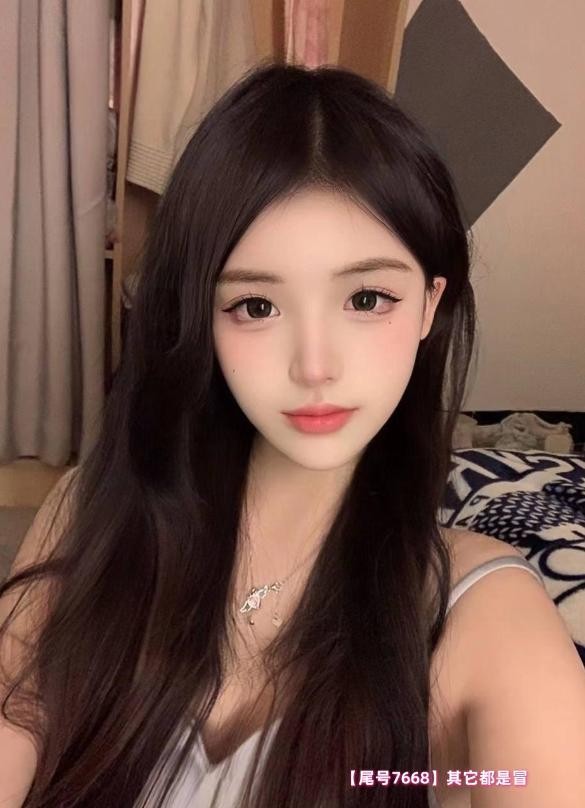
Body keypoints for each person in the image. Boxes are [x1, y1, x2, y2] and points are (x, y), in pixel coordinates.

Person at [1, 60, 584, 808]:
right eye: (256, 306)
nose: (314, 367)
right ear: (201, 316)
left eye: (366, 298)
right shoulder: (98, 511)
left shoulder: (482, 614)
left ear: (429, 305)